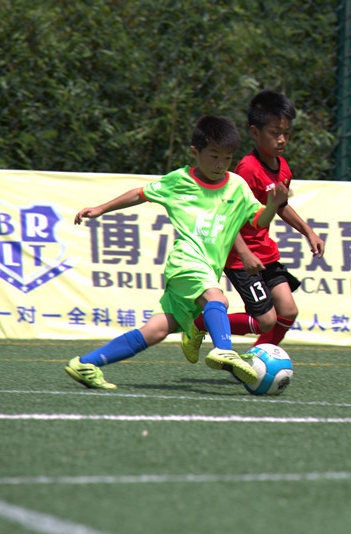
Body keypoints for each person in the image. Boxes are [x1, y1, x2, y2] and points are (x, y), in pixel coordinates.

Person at [65, 115, 288, 390]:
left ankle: (85, 363)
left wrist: (272, 206)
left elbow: (258, 221)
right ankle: (224, 350)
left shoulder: (237, 186)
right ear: (195, 153)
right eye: (214, 156)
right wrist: (101, 208)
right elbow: (140, 194)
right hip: (186, 263)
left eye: (227, 158)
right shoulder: (179, 180)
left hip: (206, 269)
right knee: (217, 298)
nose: (220, 164)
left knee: (157, 330)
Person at [181, 90, 324, 363]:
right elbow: (227, 217)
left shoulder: (283, 167)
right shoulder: (247, 169)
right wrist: (245, 253)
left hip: (265, 253)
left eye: (287, 133)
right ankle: (198, 324)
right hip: (240, 256)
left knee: (288, 311)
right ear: (255, 133)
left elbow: (279, 206)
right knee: (266, 320)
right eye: (274, 133)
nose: (282, 140)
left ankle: (257, 360)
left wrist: (309, 232)